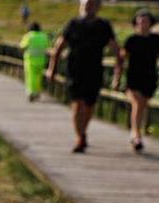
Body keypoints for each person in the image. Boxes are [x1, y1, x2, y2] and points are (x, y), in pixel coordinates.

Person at [48, 0, 122, 153]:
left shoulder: (103, 26)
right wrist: (52, 69)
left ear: (98, 7)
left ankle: (82, 132)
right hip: (75, 70)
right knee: (77, 104)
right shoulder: (73, 24)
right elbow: (58, 48)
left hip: (94, 71)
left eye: (91, 5)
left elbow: (116, 51)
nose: (88, 8)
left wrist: (117, 74)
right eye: (85, 5)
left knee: (89, 105)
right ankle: (80, 137)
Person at [122, 9, 159, 152]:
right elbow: (121, 58)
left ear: (151, 23)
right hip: (133, 77)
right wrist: (117, 76)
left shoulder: (156, 39)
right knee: (137, 103)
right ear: (136, 24)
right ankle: (137, 135)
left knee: (141, 106)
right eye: (140, 22)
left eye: (145, 21)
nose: (142, 24)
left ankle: (134, 130)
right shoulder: (131, 40)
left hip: (149, 77)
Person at [19, 22, 50, 101]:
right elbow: (48, 46)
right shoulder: (44, 36)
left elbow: (22, 46)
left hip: (30, 60)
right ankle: (38, 92)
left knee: (31, 77)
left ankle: (31, 93)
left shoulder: (29, 36)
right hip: (41, 60)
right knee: (38, 77)